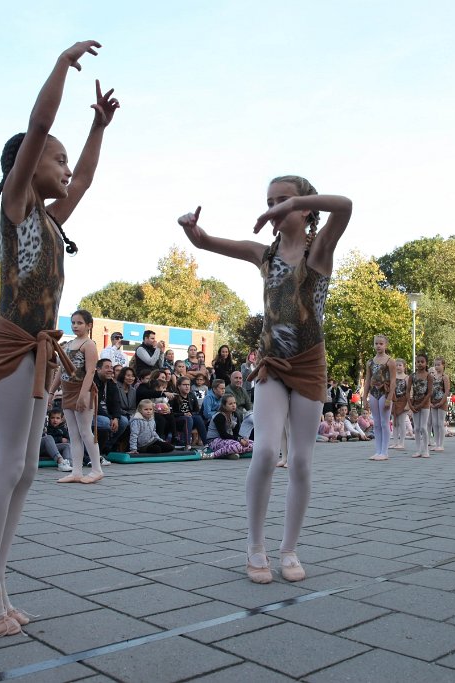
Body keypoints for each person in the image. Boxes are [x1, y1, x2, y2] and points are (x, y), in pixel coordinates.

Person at [0, 41, 118, 637]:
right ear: (26, 165)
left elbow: (89, 180)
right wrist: (61, 65)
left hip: (40, 347)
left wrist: (98, 127)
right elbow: (39, 124)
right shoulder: (19, 203)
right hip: (11, 342)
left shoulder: (52, 218)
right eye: (59, 159)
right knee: (7, 466)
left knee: (26, 468)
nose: (66, 168)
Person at [179, 173, 351, 584]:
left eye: (284, 200)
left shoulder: (320, 250)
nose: (274, 207)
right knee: (265, 450)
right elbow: (206, 243)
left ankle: (289, 548)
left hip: (310, 364)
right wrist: (193, 230)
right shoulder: (265, 255)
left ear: (306, 208)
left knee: (302, 462)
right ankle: (255, 545)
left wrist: (291, 204)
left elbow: (345, 205)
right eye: (270, 200)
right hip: (271, 364)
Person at [48, 310, 101, 484]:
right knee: (73, 433)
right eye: (73, 323)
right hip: (68, 391)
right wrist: (51, 392)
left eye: (79, 323)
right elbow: (60, 371)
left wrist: (83, 395)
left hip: (82, 391)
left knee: (86, 432)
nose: (75, 326)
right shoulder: (68, 344)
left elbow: (91, 371)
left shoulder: (89, 344)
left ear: (89, 325)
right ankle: (77, 471)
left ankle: (96, 469)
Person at [363, 335, 397, 461]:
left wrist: (389, 397)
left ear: (385, 345)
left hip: (384, 392)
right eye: (376, 343)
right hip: (373, 393)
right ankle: (378, 451)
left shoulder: (390, 361)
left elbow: (393, 381)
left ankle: (385, 451)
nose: (378, 346)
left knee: (384, 422)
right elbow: (367, 380)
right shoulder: (370, 362)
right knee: (376, 423)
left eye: (381, 344)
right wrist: (364, 396)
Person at [93, 358, 125, 454]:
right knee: (105, 421)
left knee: (123, 421)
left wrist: (115, 418)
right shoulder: (93, 382)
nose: (110, 370)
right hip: (92, 414)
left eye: (111, 367)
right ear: (98, 369)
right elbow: (95, 405)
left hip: (108, 415)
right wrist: (110, 418)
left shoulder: (111, 383)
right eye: (107, 367)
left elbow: (116, 403)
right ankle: (95, 451)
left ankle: (106, 447)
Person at [206, 394, 254, 458]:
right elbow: (223, 435)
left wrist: (243, 439)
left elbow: (236, 433)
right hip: (214, 441)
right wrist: (239, 440)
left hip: (227, 440)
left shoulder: (235, 415)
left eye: (234, 403)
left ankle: (230, 452)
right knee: (237, 445)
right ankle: (213, 455)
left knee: (254, 444)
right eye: (230, 404)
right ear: (224, 406)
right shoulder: (219, 416)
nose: (233, 405)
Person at [410, 353, 433, 458]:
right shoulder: (412, 376)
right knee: (416, 428)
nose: (419, 364)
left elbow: (429, 392)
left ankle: (426, 450)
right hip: (415, 403)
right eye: (418, 362)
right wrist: (410, 404)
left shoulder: (429, 376)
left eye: (422, 362)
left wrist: (422, 404)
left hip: (425, 404)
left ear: (426, 363)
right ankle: (418, 450)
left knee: (423, 427)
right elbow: (407, 391)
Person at [171, 376, 205, 448]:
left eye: (188, 385)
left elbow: (197, 411)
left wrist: (191, 414)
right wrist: (184, 414)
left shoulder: (192, 395)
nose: (187, 387)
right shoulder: (174, 397)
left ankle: (207, 443)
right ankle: (187, 444)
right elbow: (171, 413)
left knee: (198, 418)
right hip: (177, 420)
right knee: (188, 418)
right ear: (179, 386)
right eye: (184, 385)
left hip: (190, 419)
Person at [428, 357, 450, 452]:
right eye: (435, 365)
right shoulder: (432, 377)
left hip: (442, 402)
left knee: (441, 423)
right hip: (433, 402)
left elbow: (447, 390)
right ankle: (436, 443)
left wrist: (442, 402)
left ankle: (441, 444)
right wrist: (429, 402)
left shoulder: (445, 377)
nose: (436, 367)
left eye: (438, 365)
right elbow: (429, 390)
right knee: (434, 423)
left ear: (443, 365)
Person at [390, 360, 410, 450]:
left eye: (400, 365)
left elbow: (409, 391)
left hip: (403, 401)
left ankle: (402, 442)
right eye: (396, 365)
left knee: (402, 422)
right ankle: (395, 442)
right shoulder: (393, 377)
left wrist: (408, 404)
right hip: (394, 401)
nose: (398, 367)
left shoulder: (406, 378)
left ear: (404, 367)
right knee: (395, 423)